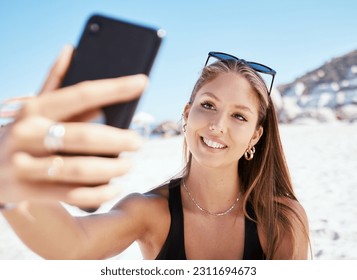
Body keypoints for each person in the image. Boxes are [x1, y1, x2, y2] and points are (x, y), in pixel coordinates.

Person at [0, 47, 310, 260]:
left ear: (256, 133)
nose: (217, 125)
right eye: (208, 105)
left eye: (239, 116)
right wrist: (10, 185)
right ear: (187, 113)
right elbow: (73, 245)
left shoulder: (281, 220)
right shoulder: (150, 211)